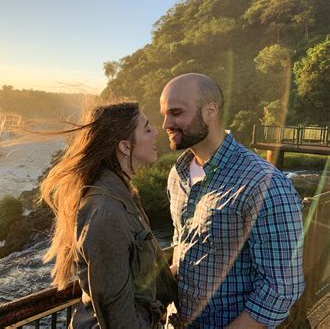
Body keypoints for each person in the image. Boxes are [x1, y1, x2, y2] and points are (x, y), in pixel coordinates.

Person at [160, 73, 305, 328]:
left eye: (176, 113)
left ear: (210, 111)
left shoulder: (263, 183)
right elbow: (181, 243)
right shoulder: (177, 175)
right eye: (164, 114)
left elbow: (281, 288)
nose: (166, 124)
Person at [40, 102, 177, 328]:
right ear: (124, 146)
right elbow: (119, 322)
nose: (156, 132)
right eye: (146, 128)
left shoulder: (123, 195)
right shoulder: (106, 212)